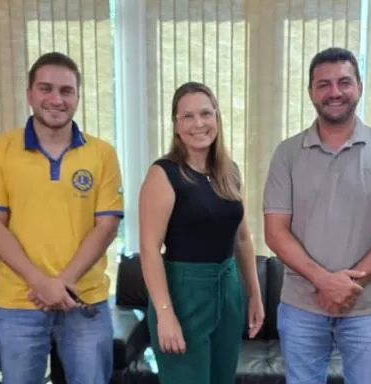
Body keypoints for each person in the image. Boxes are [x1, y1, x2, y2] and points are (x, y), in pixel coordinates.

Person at [263, 46, 371, 383]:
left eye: (344, 82)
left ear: (359, 87)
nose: (335, 92)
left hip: (368, 307)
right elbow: (275, 232)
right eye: (324, 84)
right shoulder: (287, 154)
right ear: (310, 93)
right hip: (301, 306)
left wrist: (348, 283)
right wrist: (323, 280)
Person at [0, 52, 123, 383]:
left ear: (77, 98)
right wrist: (41, 283)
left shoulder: (101, 154)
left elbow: (107, 226)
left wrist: (62, 283)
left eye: (66, 91)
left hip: (84, 300)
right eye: (46, 88)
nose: (56, 99)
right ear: (29, 94)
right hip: (18, 302)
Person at [138, 81, 265, 384]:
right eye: (188, 116)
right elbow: (149, 249)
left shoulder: (229, 171)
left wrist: (255, 295)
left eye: (206, 114)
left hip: (228, 289)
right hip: (183, 294)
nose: (199, 124)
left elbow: (243, 239)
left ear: (217, 119)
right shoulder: (163, 173)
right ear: (176, 125)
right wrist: (165, 314)